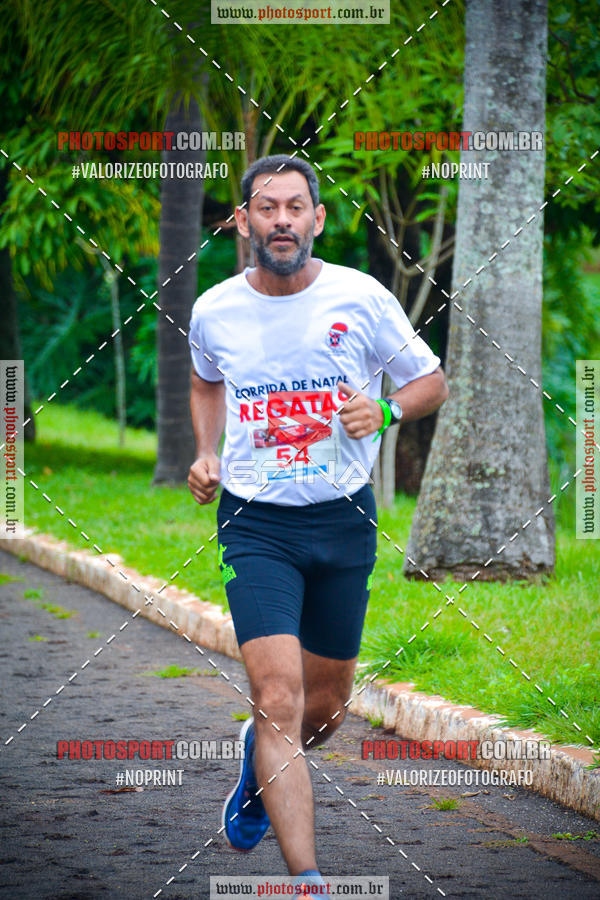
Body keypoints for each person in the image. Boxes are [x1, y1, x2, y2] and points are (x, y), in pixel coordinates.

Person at [187, 154, 448, 894]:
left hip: (342, 519)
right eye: (266, 208)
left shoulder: (360, 297)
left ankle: (255, 768)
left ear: (317, 218)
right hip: (255, 522)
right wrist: (206, 453)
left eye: (295, 207)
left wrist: (390, 409)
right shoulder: (214, 309)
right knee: (277, 698)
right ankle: (308, 881)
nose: (282, 221)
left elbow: (431, 380)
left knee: (326, 709)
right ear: (243, 222)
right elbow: (205, 381)